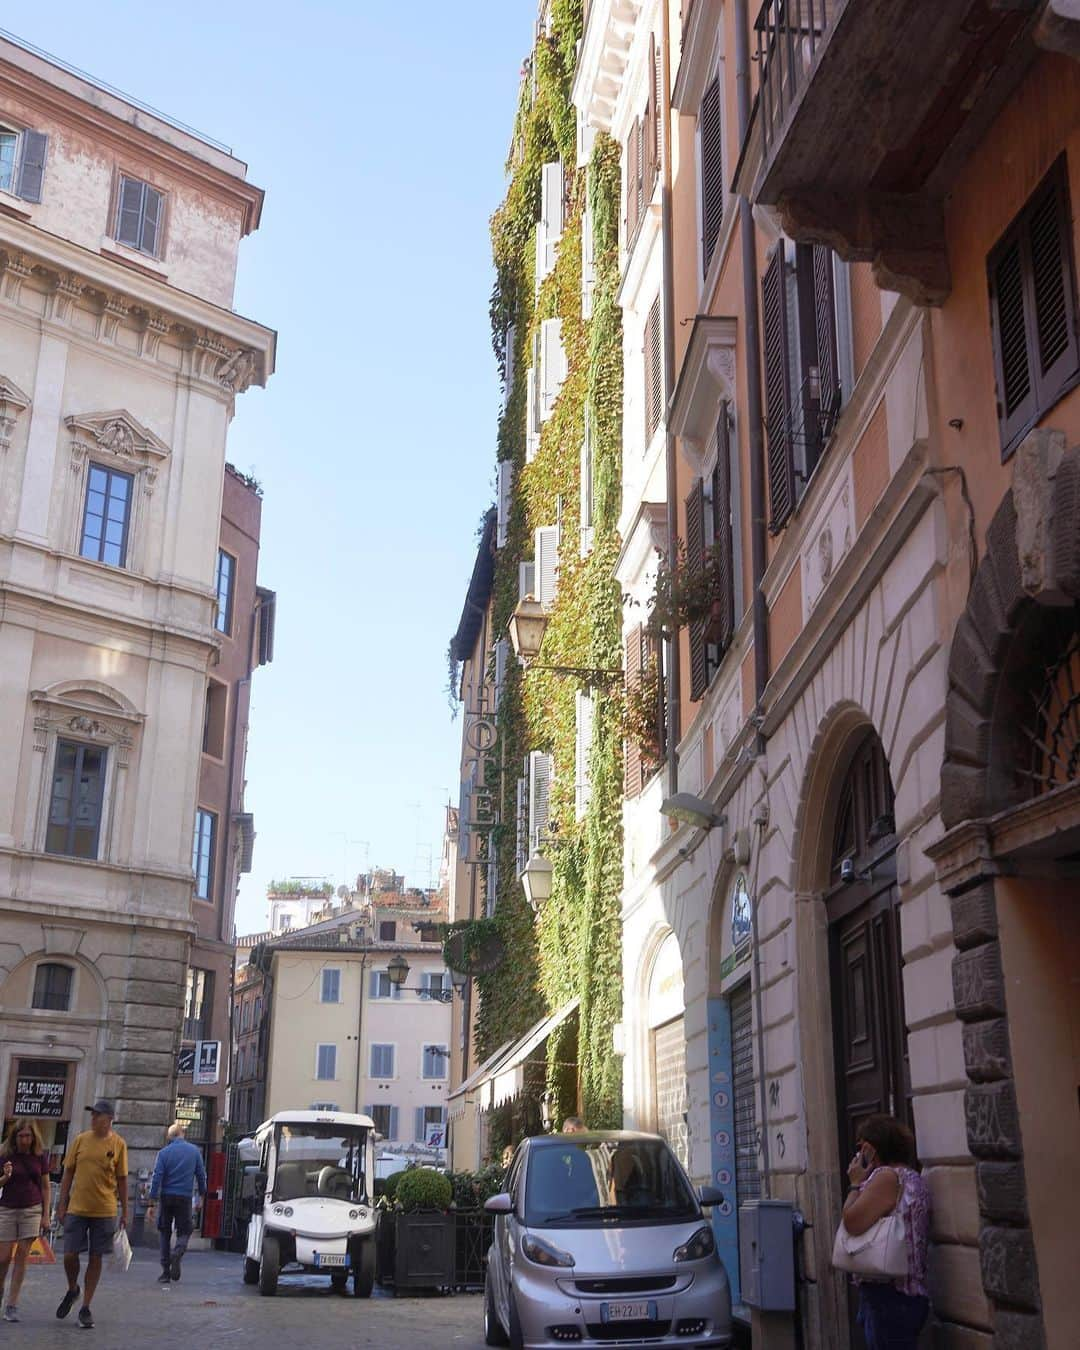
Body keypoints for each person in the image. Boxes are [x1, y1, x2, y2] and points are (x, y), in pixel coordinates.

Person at [841, 1113, 931, 1350]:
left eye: (860, 1147)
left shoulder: (886, 1177)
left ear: (870, 1149)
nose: (858, 1153)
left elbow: (851, 1221)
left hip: (888, 1294)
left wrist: (855, 1183)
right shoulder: (912, 1177)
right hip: (909, 1292)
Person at [55, 1099, 128, 1331]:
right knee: (69, 1255)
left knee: (96, 1258)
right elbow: (68, 1173)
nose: (94, 1118)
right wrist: (62, 1203)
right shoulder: (80, 1140)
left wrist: (125, 1210)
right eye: (92, 1115)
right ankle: (72, 1288)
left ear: (109, 1119)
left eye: (98, 1115)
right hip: (77, 1207)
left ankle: (86, 1306)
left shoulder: (118, 1144)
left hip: (104, 1210)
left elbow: (123, 1180)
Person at [0, 1119, 51, 1323]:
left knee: (22, 1256)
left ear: (33, 1137)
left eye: (28, 1136)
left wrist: (46, 1215)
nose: (24, 1140)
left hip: (32, 1208)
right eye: (21, 1136)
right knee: (3, 1258)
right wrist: (5, 1176)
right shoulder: (5, 1155)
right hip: (7, 1209)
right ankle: (1, 1289)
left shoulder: (39, 1156)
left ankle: (12, 1304)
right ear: (15, 1136)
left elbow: (46, 1186)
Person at [146, 1122, 207, 1283]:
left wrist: (151, 1202)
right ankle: (177, 1252)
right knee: (185, 1231)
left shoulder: (163, 1153)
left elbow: (157, 1177)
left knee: (164, 1232)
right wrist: (201, 1196)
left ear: (170, 1137)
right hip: (184, 1198)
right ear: (182, 1134)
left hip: (166, 1197)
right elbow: (201, 1175)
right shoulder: (194, 1152)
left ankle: (165, 1272)